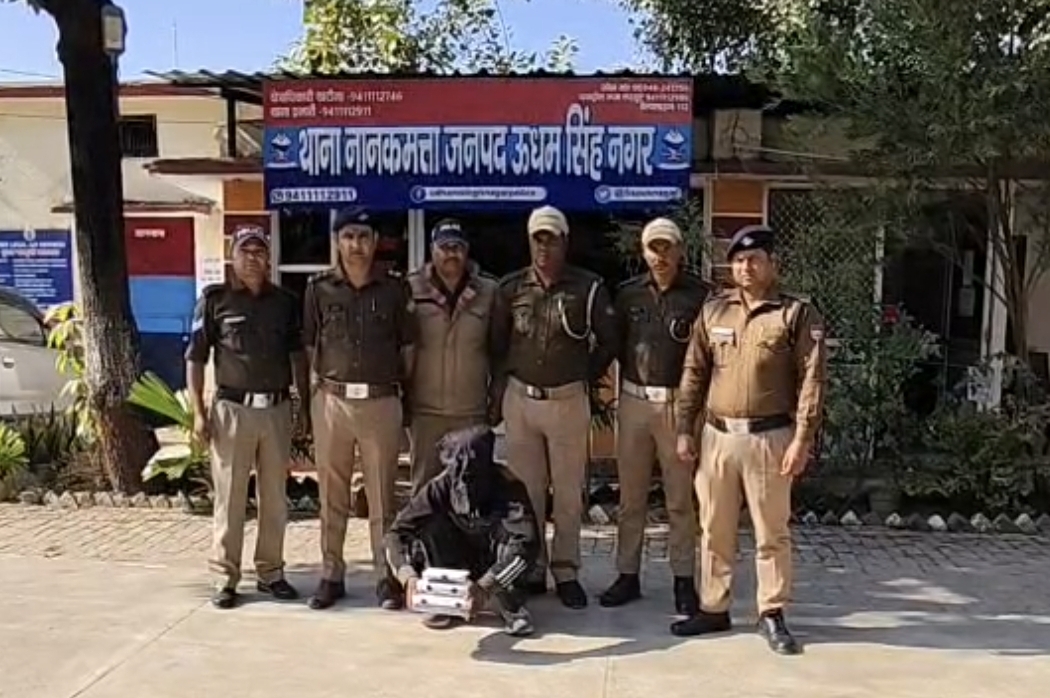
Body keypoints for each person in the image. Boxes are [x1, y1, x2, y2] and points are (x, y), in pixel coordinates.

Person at [671, 224, 827, 655]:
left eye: (754, 259)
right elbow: (694, 371)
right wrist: (684, 428)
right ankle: (713, 607)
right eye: (738, 260)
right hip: (717, 436)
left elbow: (812, 380)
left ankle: (771, 611)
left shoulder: (795, 314)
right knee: (713, 528)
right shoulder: (714, 310)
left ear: (773, 264)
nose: (745, 267)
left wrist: (802, 438)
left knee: (771, 531)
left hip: (769, 438)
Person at [490, 205, 618, 609]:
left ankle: (566, 571)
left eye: (552, 239)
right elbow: (497, 345)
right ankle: (531, 567)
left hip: (566, 400)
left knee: (567, 493)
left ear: (565, 241)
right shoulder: (511, 288)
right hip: (521, 399)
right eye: (538, 239)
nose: (544, 248)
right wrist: (497, 398)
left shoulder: (588, 287)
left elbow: (609, 340)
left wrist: (585, 375)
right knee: (526, 492)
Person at [185, 225, 309, 609]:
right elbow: (195, 358)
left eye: (259, 251)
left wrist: (303, 406)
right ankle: (225, 576)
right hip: (232, 410)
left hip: (275, 410)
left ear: (268, 257)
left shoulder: (285, 302)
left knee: (275, 498)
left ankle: (271, 572)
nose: (252, 258)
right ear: (232, 256)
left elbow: (298, 357)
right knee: (230, 498)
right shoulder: (214, 301)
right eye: (245, 251)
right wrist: (198, 412)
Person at [302, 207, 417, 611]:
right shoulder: (318, 288)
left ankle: (386, 575)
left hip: (380, 401)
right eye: (349, 236)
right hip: (332, 401)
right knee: (332, 494)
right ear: (337, 241)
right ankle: (331, 573)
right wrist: (315, 397)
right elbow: (311, 346)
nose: (356, 245)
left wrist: (396, 390)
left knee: (382, 495)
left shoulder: (394, 289)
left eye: (364, 236)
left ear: (375, 242)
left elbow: (408, 350)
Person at [600, 217, 709, 615]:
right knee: (631, 497)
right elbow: (614, 345)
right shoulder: (628, 294)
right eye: (653, 248)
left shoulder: (700, 296)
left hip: (679, 404)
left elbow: (708, 357)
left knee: (680, 498)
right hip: (634, 401)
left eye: (667, 248)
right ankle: (627, 574)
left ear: (680, 251)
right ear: (643, 253)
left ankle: (683, 579)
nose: (660, 256)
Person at [386, 425, 540, 636]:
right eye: (459, 473)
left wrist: (485, 586)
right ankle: (445, 600)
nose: (465, 482)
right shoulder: (439, 487)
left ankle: (510, 604)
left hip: (494, 563)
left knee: (515, 539)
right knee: (430, 524)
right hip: (456, 561)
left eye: (473, 475)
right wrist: (408, 577)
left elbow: (527, 545)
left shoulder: (509, 486)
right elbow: (396, 533)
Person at [405, 219, 500, 494]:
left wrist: (496, 397)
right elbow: (402, 348)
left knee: (471, 491)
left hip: (471, 412)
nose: (451, 253)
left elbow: (499, 351)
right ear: (432, 250)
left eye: (457, 247)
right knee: (424, 493)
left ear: (467, 251)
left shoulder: (489, 291)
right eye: (444, 247)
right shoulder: (410, 288)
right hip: (425, 413)